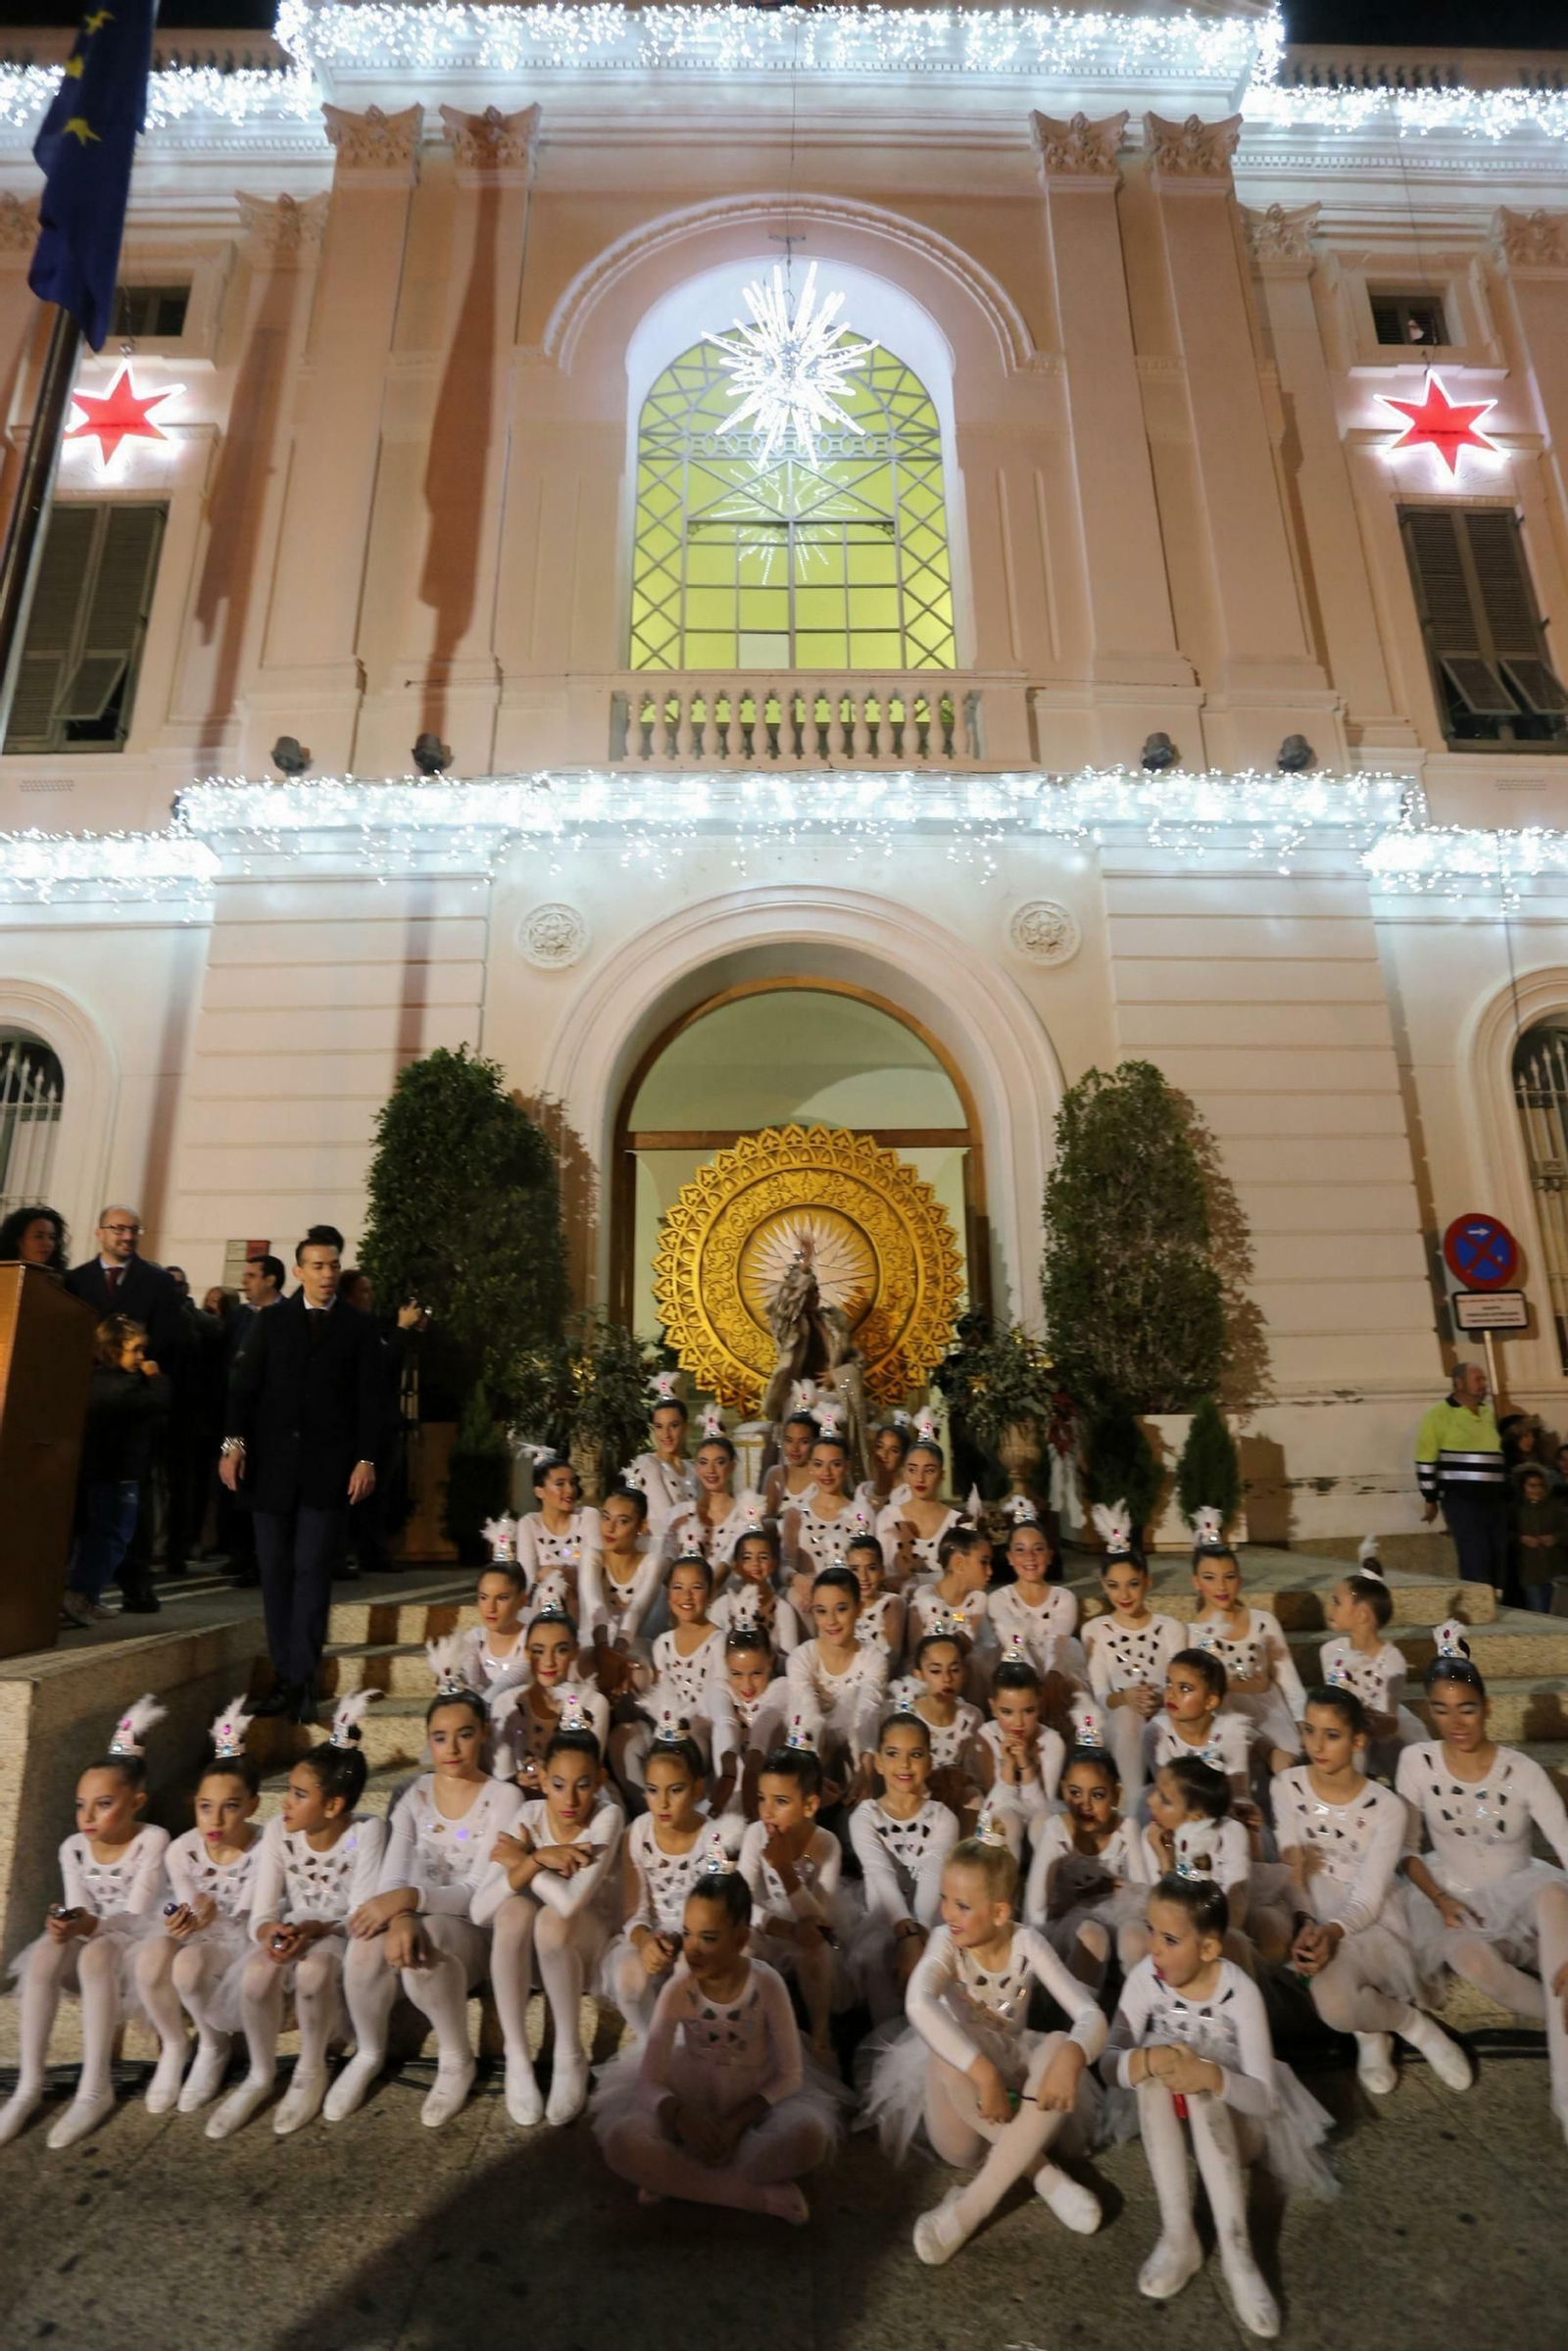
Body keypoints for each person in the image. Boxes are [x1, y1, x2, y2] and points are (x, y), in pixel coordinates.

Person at [1102, 1872, 1333, 2337]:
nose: (1154, 1949)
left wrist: (1209, 2075)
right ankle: (1178, 2235)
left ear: (1208, 1948)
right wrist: (1147, 2059)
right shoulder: (1147, 1978)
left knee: (1201, 2089)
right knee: (1153, 2078)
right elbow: (1110, 2065)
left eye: (1169, 1938)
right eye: (1150, 1931)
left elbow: (1264, 2099)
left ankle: (1237, 2252)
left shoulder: (1239, 1993)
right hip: (1173, 2128)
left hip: (1243, 2127)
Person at [866, 1818, 1105, 2265]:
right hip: (962, 2108)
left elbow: (1091, 2015)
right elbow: (918, 2003)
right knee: (945, 2049)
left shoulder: (1027, 1943)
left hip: (1012, 2080)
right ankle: (1044, 2175)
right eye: (944, 1900)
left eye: (961, 1905)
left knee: (1057, 2044)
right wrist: (982, 2072)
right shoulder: (944, 1943)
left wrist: (1075, 2053)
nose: (946, 1914)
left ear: (999, 1912)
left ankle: (969, 2209)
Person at [594, 1851, 840, 2224]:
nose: (691, 1950)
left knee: (810, 2138)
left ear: (741, 1938)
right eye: (688, 1934)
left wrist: (740, 2120)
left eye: (708, 1938)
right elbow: (649, 2082)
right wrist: (681, 2118)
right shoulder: (679, 1987)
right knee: (621, 2144)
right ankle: (748, 2196)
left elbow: (790, 2075)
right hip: (692, 2089)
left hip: (757, 2096)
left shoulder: (766, 1982)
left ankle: (676, 2179)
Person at [1397, 1627, 1568, 2142]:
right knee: (1471, 1961)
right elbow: (1405, 1851)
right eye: (1442, 1709)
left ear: (1487, 1707)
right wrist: (1440, 1897)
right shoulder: (1417, 1762)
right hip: (1447, 1893)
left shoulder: (1523, 1771)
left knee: (1555, 1895)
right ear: (1429, 1709)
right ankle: (1560, 2015)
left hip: (1519, 1888)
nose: (1455, 1722)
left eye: (1466, 1708)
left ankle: (1566, 2098)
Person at [330, 1671, 522, 2128]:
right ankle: (369, 2050)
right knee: (362, 1946)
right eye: (440, 1737)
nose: (452, 1749)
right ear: (428, 1741)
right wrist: (399, 1913)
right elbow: (393, 1875)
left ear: (484, 1736)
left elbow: (476, 1895)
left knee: (427, 1940)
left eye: (464, 1735)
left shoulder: (504, 1797)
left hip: (474, 1930)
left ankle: (457, 2058)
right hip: (413, 1913)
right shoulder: (412, 1792)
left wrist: (408, 1902)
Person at [1276, 1686, 1469, 2099]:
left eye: (1332, 1735)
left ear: (1358, 1740)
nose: (1317, 1745)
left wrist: (1331, 1931)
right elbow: (1292, 1871)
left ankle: (1418, 2028)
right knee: (1335, 2006)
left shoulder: (1386, 1806)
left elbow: (1367, 1895)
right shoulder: (1286, 1786)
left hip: (1370, 1912)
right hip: (1309, 1900)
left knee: (1347, 1986)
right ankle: (1374, 2033)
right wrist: (1307, 1923)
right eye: (1310, 1731)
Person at [220, 1232, 383, 1723]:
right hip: (270, 1472)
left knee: (312, 1570)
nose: (327, 1273)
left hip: (327, 1473)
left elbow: (373, 1403)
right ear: (299, 1272)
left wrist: (367, 1459)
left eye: (333, 1264)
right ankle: (285, 1676)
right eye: (317, 1265)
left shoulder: (358, 1326)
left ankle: (301, 1680)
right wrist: (233, 1446)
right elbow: (242, 1390)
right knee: (275, 1573)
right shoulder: (271, 1321)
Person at [210, 1693, 385, 2139]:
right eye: (288, 1790)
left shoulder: (366, 1834)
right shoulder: (276, 1833)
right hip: (295, 1927)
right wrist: (271, 1933)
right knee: (254, 1974)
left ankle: (311, 2070)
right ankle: (260, 2074)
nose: (285, 1802)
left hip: (340, 1935)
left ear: (333, 1807)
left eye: (299, 1795)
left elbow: (358, 1914)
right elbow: (263, 1911)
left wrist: (314, 1929)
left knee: (315, 1971)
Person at [0, 1696, 171, 2150]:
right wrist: (63, 1922)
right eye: (81, 1805)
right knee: (44, 1954)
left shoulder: (153, 1840)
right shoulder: (73, 1847)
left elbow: (133, 1916)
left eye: (104, 1804)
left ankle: (96, 2086)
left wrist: (83, 1925)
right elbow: (79, 1906)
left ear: (136, 1802)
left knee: (97, 1951)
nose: (87, 1817)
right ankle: (28, 2083)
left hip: (139, 1940)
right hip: (94, 1932)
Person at [488, 1709, 624, 2125]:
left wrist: (527, 1861)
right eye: (559, 1785)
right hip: (536, 1953)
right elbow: (480, 1908)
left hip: (588, 1941)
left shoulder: (607, 1816)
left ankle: (570, 2054)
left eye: (583, 1786)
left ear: (599, 1781)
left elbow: (568, 1905)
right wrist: (539, 1859)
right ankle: (516, 2055)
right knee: (511, 1911)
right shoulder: (528, 1816)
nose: (570, 1800)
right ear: (543, 1779)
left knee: (550, 1919)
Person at [134, 1696, 261, 2117]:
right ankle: (174, 2044)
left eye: (231, 1807)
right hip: (202, 1935)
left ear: (253, 1806)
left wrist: (217, 1913)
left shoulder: (265, 1848)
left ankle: (213, 2044)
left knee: (187, 1967)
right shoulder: (182, 1850)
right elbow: (183, 1907)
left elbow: (250, 1915)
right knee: (153, 1955)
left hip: (243, 1940)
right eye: (205, 1808)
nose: (216, 1821)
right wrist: (182, 1919)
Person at [66, 1207, 185, 1610]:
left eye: (134, 1229)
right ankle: (80, 1588)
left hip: (136, 1408)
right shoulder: (77, 1280)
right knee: (91, 1508)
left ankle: (134, 1583)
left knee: (132, 1507)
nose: (127, 1236)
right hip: (87, 1406)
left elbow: (171, 1341)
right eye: (118, 1228)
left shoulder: (157, 1282)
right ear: (99, 1232)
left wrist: (143, 1376)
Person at [849, 1712, 958, 2022]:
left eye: (916, 1754)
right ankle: (887, 2035)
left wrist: (918, 1934)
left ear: (929, 1762)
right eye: (894, 1754)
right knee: (875, 1954)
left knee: (941, 1956)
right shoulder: (865, 1816)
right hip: (886, 1919)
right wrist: (906, 1937)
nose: (905, 1765)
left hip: (930, 1921)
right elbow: (880, 1874)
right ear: (879, 1762)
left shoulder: (942, 1817)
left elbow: (932, 1873)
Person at [61, 1315, 171, 1626]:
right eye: (135, 1350)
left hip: (107, 1472)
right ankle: (80, 1595)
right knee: (110, 1537)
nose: (141, 1358)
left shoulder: (100, 1381)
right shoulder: (120, 1387)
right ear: (113, 1349)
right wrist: (158, 1377)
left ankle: (88, 1596)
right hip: (116, 1474)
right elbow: (161, 1402)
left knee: (104, 1536)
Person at [603, 1729, 711, 2039]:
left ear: (697, 1788)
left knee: (687, 1974)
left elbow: (714, 1914)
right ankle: (653, 2050)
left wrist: (681, 1942)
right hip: (654, 1933)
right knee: (628, 1977)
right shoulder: (637, 1833)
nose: (662, 1803)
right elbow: (633, 1911)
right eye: (652, 1790)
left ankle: (688, 2050)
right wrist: (644, 1941)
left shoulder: (713, 1838)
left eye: (675, 1790)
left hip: (698, 1939)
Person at [1081, 1523, 1183, 1800]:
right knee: (1129, 1716)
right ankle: (1136, 1806)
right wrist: (1126, 1697)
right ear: (1103, 1585)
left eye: (1133, 1584)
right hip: (1118, 1719)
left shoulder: (1170, 1628)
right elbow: (1101, 1695)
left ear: (1147, 1581)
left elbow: (1180, 1684)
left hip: (1164, 1713)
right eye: (1114, 1586)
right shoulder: (1095, 1630)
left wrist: (1158, 1699)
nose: (1123, 1596)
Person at [219, 1255, 285, 1586]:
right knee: (238, 1487)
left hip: (272, 1424)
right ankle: (242, 1555)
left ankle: (263, 1563)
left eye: (251, 1275)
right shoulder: (239, 1317)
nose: (245, 1281)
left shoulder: (288, 1317)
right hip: (238, 1416)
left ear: (271, 1280)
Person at [1415, 1360, 1508, 1591]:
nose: (1483, 1384)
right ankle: (1479, 1608)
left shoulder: (1487, 1413)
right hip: (1463, 1500)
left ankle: (1497, 1606)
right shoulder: (1438, 1415)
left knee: (1499, 1558)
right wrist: (1430, 1498)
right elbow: (1426, 1458)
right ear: (1458, 1383)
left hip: (1495, 1500)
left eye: (1484, 1379)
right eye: (1478, 1379)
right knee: (1475, 1557)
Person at [1513, 1464, 1568, 1613]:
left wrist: (1555, 1538)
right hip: (1529, 1573)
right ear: (1523, 1486)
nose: (1537, 1490)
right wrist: (1522, 1539)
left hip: (1555, 1571)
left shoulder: (1555, 1508)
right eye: (1532, 1486)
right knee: (1537, 1613)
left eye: (1540, 1485)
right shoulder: (1516, 1509)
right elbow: (1506, 1535)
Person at [0, 1202, 67, 1269]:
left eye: (52, 1237)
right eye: (39, 1236)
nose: (47, 1243)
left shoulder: (60, 1278)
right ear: (19, 1240)